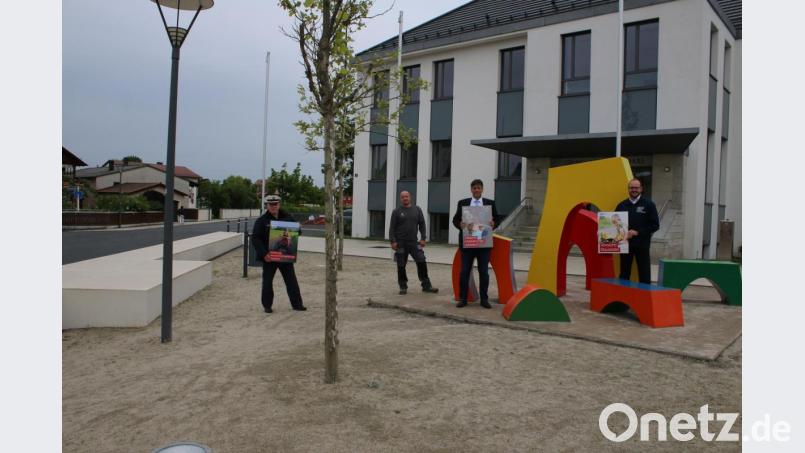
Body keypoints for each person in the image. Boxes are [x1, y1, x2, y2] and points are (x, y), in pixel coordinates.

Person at [252, 194, 307, 313]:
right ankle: (267, 306)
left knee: (291, 281)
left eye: (275, 204)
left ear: (279, 204)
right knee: (267, 282)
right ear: (267, 205)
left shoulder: (288, 217)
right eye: (270, 204)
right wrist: (264, 254)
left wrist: (298, 229)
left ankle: (297, 304)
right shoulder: (261, 221)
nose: (273, 207)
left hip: (285, 256)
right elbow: (255, 239)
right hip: (270, 257)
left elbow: (296, 233)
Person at [452, 179, 500, 308]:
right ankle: (463, 299)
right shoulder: (463, 203)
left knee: (483, 272)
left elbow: (497, 218)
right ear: (471, 190)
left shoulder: (490, 203)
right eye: (474, 188)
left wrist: (494, 224)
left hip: (484, 243)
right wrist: (459, 224)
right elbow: (455, 219)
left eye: (479, 188)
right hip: (468, 243)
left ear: (482, 189)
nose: (477, 190)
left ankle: (484, 299)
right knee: (464, 272)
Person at [389, 191, 438, 295]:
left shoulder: (417, 209)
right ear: (400, 199)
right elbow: (392, 228)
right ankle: (403, 287)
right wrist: (393, 241)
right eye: (402, 197)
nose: (405, 198)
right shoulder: (396, 211)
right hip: (401, 244)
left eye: (406, 196)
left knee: (422, 261)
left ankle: (426, 285)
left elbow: (422, 225)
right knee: (401, 265)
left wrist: (423, 238)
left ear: (410, 197)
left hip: (414, 243)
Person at [616, 178, 660, 284]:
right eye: (631, 188)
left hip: (642, 244)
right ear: (628, 189)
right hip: (625, 244)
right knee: (624, 273)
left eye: (636, 188)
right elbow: (615, 225)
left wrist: (638, 232)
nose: (634, 190)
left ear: (641, 189)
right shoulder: (621, 205)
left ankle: (644, 298)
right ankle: (623, 296)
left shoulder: (649, 204)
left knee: (644, 273)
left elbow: (655, 225)